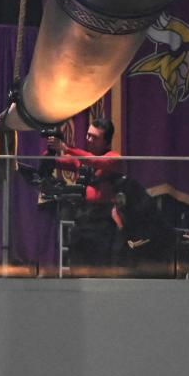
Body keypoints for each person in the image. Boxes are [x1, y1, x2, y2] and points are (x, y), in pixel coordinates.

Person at [49, 118, 125, 275]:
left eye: (95, 137)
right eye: (88, 135)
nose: (89, 140)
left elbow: (96, 161)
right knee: (77, 266)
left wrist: (67, 147)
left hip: (103, 223)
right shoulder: (80, 159)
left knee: (100, 269)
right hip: (82, 219)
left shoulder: (113, 157)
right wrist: (51, 146)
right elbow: (53, 161)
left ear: (107, 141)